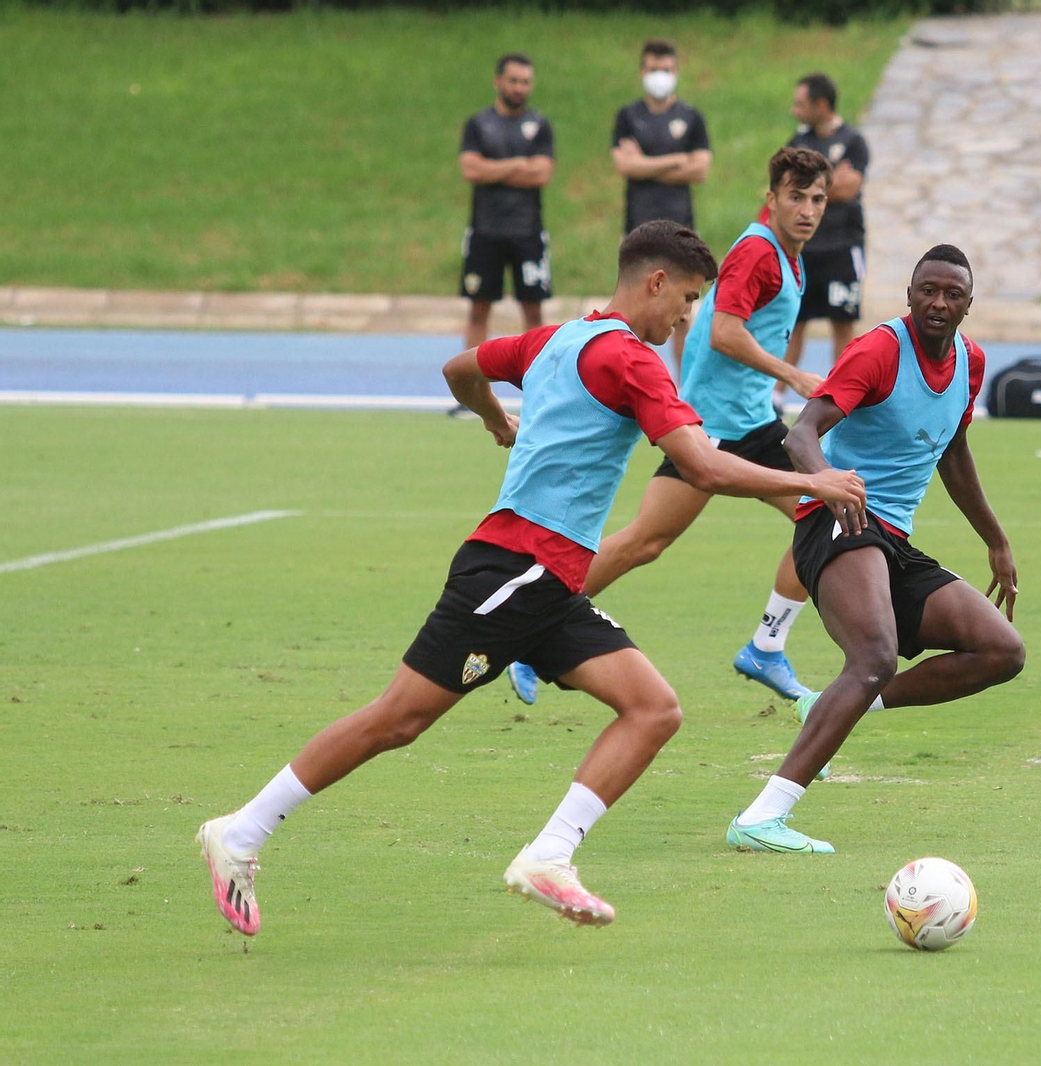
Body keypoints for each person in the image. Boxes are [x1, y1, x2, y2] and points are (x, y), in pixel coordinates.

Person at [195, 221, 867, 935]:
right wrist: (814, 480)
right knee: (399, 718)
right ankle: (240, 831)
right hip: (514, 571)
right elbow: (700, 464)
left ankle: (549, 857)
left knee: (653, 709)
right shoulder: (634, 362)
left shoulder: (557, 337)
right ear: (655, 282)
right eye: (689, 299)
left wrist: (496, 421)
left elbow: (460, 368)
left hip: (552, 583)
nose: (687, 318)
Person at [506, 147, 832, 708]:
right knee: (651, 540)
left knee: (816, 522)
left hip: (748, 421)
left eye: (818, 199)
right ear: (771, 196)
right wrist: (793, 375)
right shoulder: (758, 252)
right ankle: (529, 631)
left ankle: (766, 648)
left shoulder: (788, 254)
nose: (807, 209)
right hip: (719, 428)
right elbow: (725, 332)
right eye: (795, 196)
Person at [726, 245, 1026, 855]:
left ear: (969, 305)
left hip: (892, 540)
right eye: (927, 291)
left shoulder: (970, 362)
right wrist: (827, 484)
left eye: (952, 294)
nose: (938, 303)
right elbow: (800, 434)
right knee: (873, 657)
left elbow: (953, 453)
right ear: (910, 295)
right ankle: (761, 817)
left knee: (1001, 650)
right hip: (836, 521)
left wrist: (995, 540)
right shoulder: (880, 351)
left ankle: (833, 706)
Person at [611, 39, 712, 371]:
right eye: (654, 69)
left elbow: (700, 169)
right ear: (642, 71)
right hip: (639, 229)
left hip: (681, 229)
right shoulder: (628, 116)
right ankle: (628, 382)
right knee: (635, 308)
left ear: (676, 72)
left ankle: (685, 394)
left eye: (666, 70)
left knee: (683, 310)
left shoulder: (691, 117)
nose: (660, 76)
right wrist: (677, 160)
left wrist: (647, 164)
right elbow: (626, 166)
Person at [458, 53, 556, 362]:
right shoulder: (478, 124)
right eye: (513, 81)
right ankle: (471, 388)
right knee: (478, 308)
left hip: (527, 231)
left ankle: (537, 387)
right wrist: (516, 165)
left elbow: (541, 173)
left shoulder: (539, 125)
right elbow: (471, 170)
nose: (519, 88)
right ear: (498, 81)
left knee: (533, 309)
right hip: (485, 230)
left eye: (525, 82)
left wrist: (493, 170)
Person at [778, 72, 871, 388]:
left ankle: (842, 392)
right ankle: (775, 396)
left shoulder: (854, 142)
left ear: (821, 104)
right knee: (794, 322)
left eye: (800, 104)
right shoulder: (798, 141)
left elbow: (849, 189)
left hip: (843, 247)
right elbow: (787, 185)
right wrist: (832, 177)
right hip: (803, 249)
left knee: (843, 323)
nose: (795, 110)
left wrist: (813, 180)